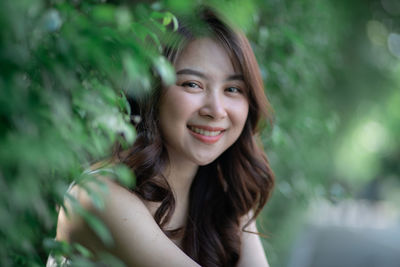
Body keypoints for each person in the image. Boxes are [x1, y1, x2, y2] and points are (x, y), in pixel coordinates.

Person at [53, 6, 274, 267]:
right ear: (151, 92)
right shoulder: (98, 196)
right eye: (192, 84)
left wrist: (237, 198)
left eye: (233, 89)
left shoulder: (219, 196)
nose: (216, 110)